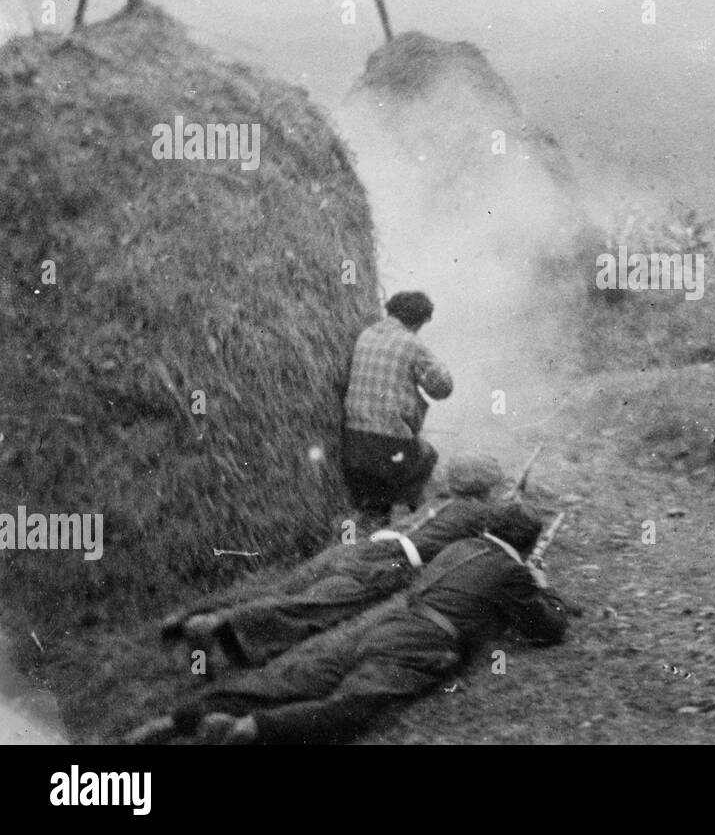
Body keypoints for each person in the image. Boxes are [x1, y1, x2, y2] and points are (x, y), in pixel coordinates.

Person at [127, 503, 567, 745]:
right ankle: (251, 731)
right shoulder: (515, 573)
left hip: (386, 623)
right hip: (419, 642)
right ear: (524, 548)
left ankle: (174, 721)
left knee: (287, 681)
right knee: (351, 709)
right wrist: (542, 587)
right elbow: (547, 630)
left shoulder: (461, 547)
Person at [159, 455, 508, 668]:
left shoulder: (439, 498)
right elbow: (502, 530)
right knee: (313, 606)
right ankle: (216, 623)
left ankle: (190, 616)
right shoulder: (479, 513)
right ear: (483, 490)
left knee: (283, 588)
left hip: (359, 546)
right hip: (386, 563)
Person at [342, 291, 454, 526]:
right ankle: (417, 522)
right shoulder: (412, 343)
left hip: (353, 439)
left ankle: (379, 521)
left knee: (375, 500)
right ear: (418, 320)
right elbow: (442, 389)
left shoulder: (366, 335)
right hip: (389, 442)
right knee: (426, 458)